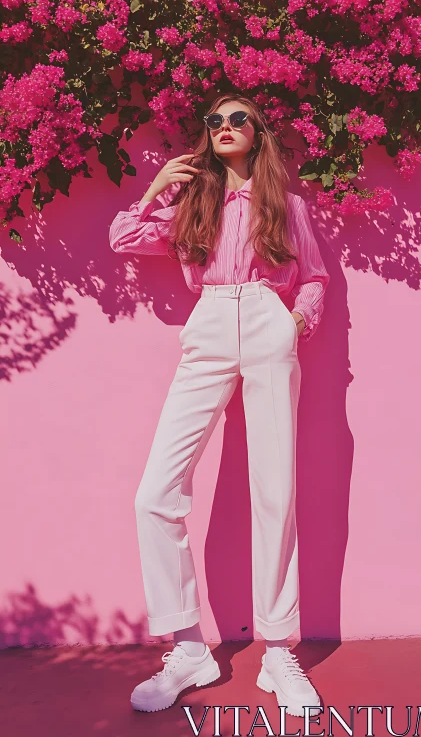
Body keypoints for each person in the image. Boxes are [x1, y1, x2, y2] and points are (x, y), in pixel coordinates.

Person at [109, 93, 330, 718]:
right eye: (216, 121)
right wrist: (156, 189)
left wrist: (295, 323)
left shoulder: (286, 206)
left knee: (275, 491)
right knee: (155, 492)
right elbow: (124, 236)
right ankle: (187, 647)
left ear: (258, 134)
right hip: (209, 322)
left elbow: (313, 276)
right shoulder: (193, 204)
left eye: (239, 120)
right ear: (206, 136)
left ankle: (279, 652)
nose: (226, 127)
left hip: (268, 320)